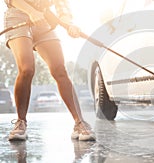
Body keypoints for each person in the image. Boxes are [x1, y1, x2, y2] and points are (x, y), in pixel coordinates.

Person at [3, 0, 95, 141]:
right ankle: (20, 122)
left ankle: (79, 122)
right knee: (27, 69)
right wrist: (32, 11)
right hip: (17, 16)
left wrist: (69, 24)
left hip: (44, 19)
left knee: (59, 69)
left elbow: (62, 6)